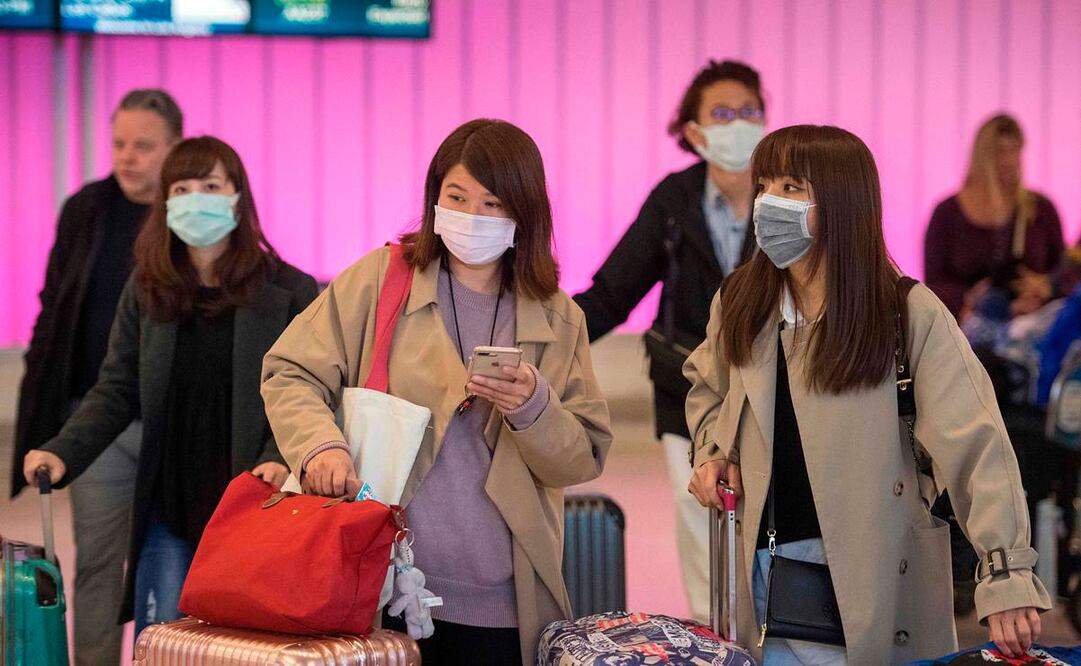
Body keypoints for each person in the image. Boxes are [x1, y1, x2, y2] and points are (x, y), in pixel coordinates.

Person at [686, 125, 1051, 664]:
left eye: (791, 187)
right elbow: (707, 386)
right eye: (764, 183)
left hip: (878, 575)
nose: (769, 201)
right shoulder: (743, 301)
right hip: (764, 577)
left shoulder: (906, 313)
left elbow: (978, 445)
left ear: (841, 203)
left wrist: (1007, 575)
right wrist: (712, 451)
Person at [261, 119, 613, 665]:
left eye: (493, 203)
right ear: (434, 199)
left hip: (503, 600)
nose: (472, 216)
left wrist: (533, 408)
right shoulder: (381, 281)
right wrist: (318, 446)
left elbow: (582, 456)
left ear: (524, 212)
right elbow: (290, 371)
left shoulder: (559, 317)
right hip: (380, 585)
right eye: (457, 197)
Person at [22, 136, 319, 640]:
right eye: (182, 187)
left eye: (210, 185)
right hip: (170, 501)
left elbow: (307, 392)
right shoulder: (148, 288)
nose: (195, 197)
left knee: (243, 641)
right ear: (165, 203)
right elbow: (117, 388)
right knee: (164, 639)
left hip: (252, 498)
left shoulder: (290, 290)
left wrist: (280, 455)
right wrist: (62, 451)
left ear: (237, 196)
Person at [573, 59, 765, 621]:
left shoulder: (787, 198)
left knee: (770, 533)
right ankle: (717, 645)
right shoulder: (674, 202)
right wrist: (539, 336)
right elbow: (611, 294)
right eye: (723, 113)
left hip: (774, 396)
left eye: (750, 111)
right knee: (704, 530)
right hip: (688, 392)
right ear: (694, 130)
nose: (739, 124)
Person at [11, 89, 181, 666]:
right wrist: (47, 406)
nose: (127, 157)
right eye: (119, 144)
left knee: (173, 564)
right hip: (96, 418)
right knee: (98, 568)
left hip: (171, 425)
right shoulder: (87, 209)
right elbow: (54, 308)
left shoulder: (189, 216)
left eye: (143, 146)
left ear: (174, 148)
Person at [924, 114, 1064, 322]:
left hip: (1031, 327)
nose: (1008, 161)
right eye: (999, 152)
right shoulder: (947, 214)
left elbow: (1063, 270)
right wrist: (968, 298)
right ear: (981, 156)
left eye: (1014, 151)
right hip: (968, 328)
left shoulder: (1040, 209)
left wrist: (1044, 285)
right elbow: (934, 282)